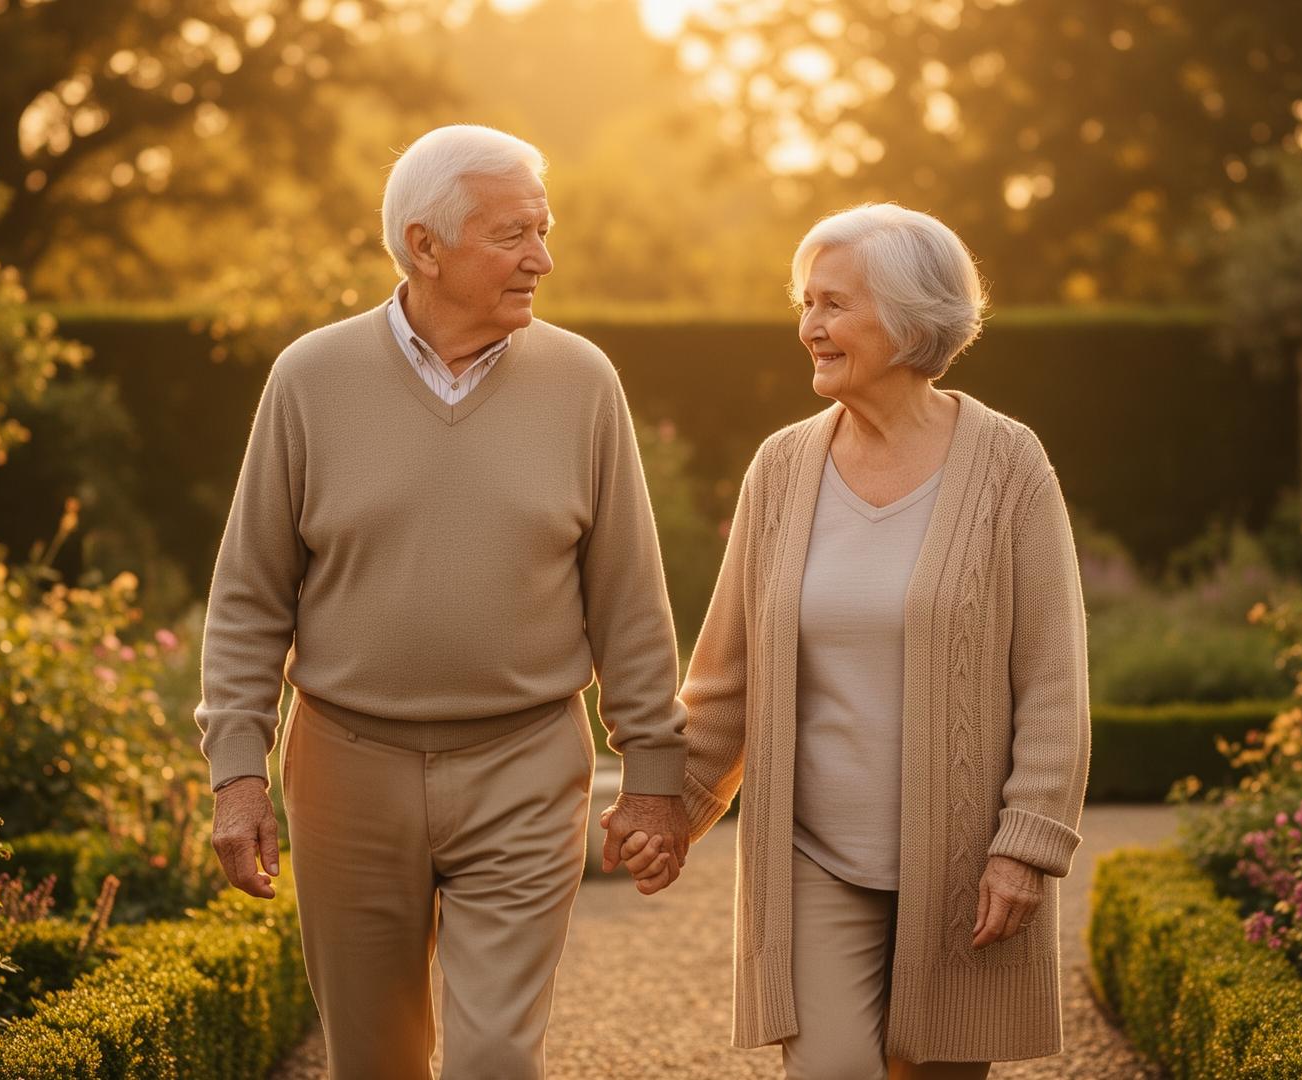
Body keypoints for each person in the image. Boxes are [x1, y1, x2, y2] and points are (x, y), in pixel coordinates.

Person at [197, 124, 691, 1079]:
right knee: (374, 1059)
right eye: (514, 235)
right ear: (424, 245)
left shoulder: (583, 382)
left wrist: (657, 776)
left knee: (496, 1058)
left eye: (543, 231)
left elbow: (629, 597)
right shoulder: (310, 379)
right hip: (347, 767)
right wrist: (237, 773)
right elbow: (250, 595)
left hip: (525, 764)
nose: (541, 259)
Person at [612, 202, 1092, 1078]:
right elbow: (726, 678)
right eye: (805, 303)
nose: (809, 328)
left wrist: (1027, 845)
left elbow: (1053, 680)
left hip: (962, 869)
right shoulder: (783, 468)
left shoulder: (1009, 465)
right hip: (813, 859)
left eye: (832, 304)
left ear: (907, 318)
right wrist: (665, 807)